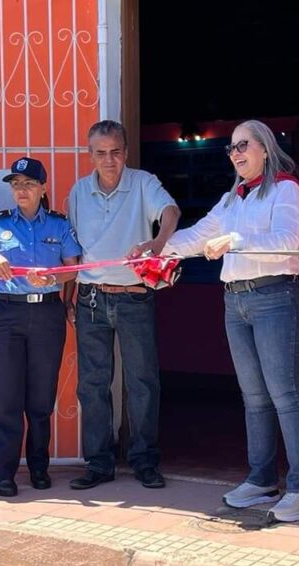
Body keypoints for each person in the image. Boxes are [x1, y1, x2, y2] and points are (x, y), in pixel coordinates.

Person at [163, 119, 299, 523]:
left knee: (286, 395)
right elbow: (197, 236)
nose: (235, 153)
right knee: (254, 398)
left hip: (275, 298)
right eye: (231, 148)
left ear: (264, 149)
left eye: (243, 145)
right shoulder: (233, 198)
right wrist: (158, 249)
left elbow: (287, 240)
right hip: (237, 301)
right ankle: (262, 479)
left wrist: (235, 241)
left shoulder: (286, 189)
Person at [65, 120, 180, 491]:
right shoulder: (78, 192)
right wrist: (69, 297)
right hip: (90, 299)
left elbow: (171, 212)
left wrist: (159, 242)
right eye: (101, 153)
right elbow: (72, 252)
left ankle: (145, 460)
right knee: (92, 384)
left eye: (116, 151)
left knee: (142, 381)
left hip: (134, 297)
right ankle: (98, 462)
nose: (109, 160)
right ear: (90, 155)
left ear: (126, 153)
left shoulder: (144, 183)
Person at [0, 157, 82, 497]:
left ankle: (39, 467)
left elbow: (74, 269)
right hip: (6, 315)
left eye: (28, 184)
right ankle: (4, 472)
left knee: (41, 398)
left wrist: (53, 275)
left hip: (46, 315)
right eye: (15, 185)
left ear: (43, 188)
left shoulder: (58, 225)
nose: (21, 190)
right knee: (5, 398)